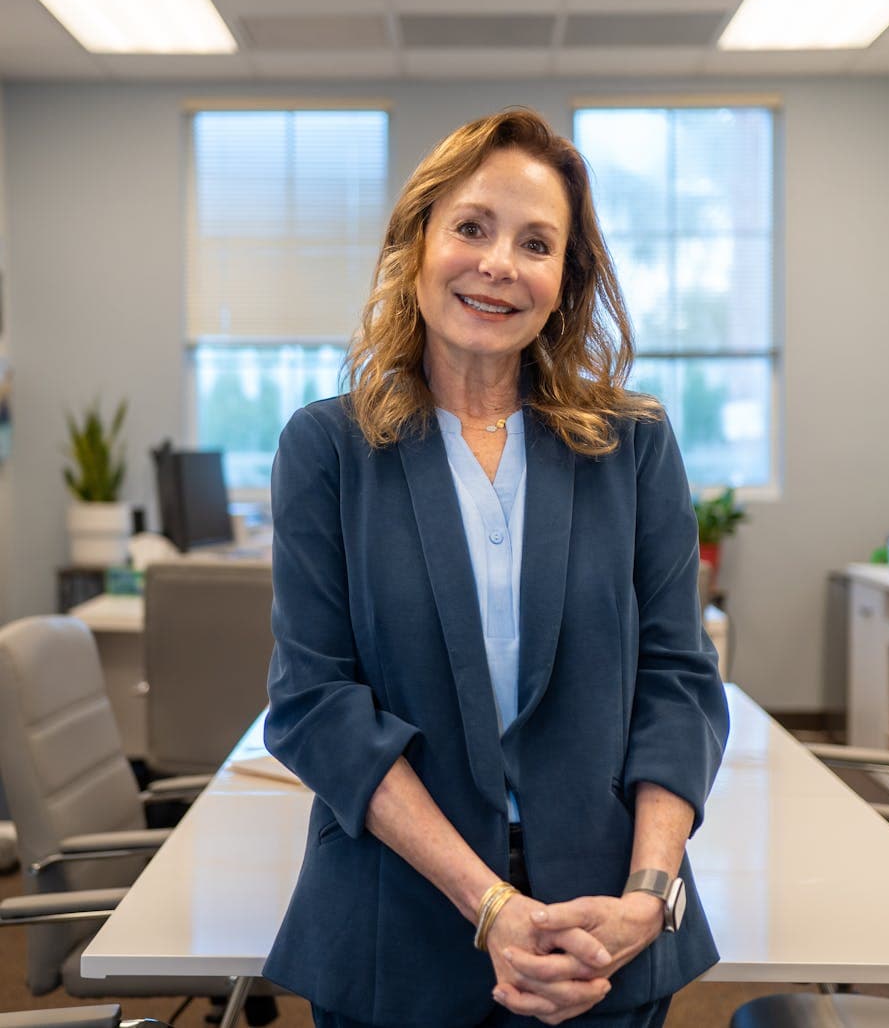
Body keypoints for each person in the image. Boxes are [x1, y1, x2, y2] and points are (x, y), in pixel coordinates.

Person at [263, 108, 729, 1028]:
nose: (498, 264)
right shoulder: (330, 449)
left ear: (566, 278)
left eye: (536, 243)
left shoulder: (632, 447)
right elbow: (314, 702)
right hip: (398, 923)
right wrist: (491, 905)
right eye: (471, 227)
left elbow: (677, 679)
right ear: (418, 241)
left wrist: (649, 892)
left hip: (604, 932)